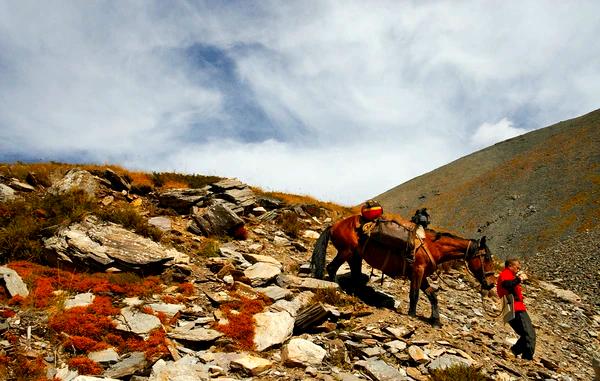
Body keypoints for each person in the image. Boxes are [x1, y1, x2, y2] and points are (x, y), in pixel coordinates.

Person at [497, 258, 536, 360]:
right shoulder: (506, 274)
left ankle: (513, 352)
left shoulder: (509, 275)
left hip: (510, 307)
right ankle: (527, 358)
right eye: (517, 267)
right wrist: (519, 279)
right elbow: (506, 284)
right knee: (529, 334)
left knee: (525, 334)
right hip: (516, 307)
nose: (518, 269)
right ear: (510, 266)